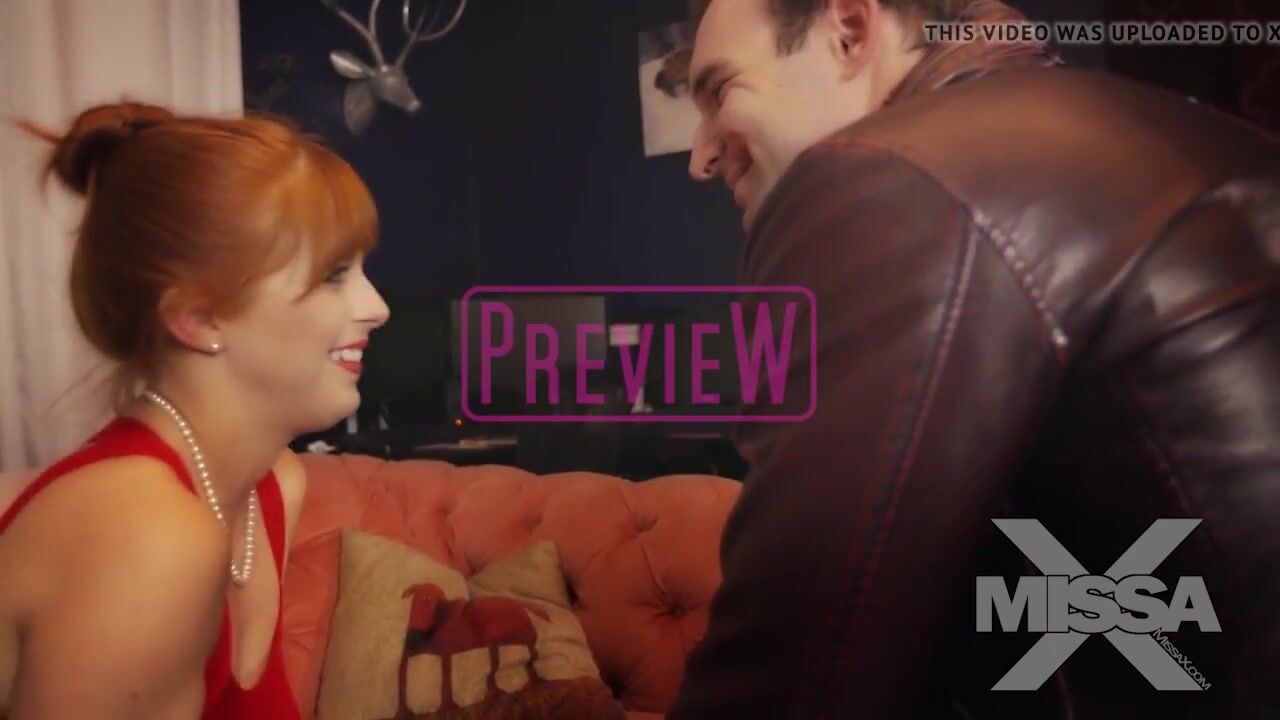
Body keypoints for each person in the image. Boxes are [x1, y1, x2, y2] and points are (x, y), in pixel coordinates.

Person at [671, 0, 1279, 718]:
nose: (699, 158)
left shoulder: (890, 176)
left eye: (720, 92)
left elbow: (790, 678)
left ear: (849, 30)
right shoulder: (1206, 136)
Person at [0, 102, 390, 719]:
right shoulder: (144, 533)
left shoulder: (274, 486)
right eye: (333, 275)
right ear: (199, 318)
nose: (378, 307)